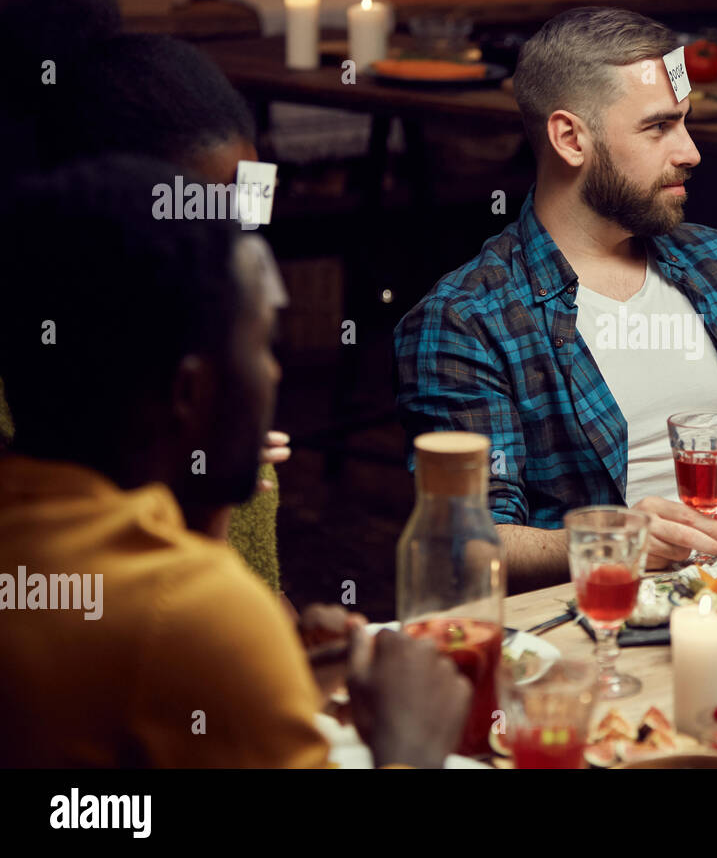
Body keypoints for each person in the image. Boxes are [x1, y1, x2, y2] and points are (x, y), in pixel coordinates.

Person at [0, 157, 469, 767]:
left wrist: (281, 671)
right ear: (190, 393)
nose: (274, 375)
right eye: (261, 349)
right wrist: (413, 745)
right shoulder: (193, 612)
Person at [395, 6, 717, 590]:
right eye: (658, 127)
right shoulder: (467, 320)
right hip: (612, 617)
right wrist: (614, 540)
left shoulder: (716, 262)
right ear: (570, 138)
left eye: (686, 123)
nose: (691, 152)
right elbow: (467, 539)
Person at [0, 0, 288, 594]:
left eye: (247, 211)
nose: (237, 252)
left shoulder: (211, 371)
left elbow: (261, 622)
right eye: (204, 223)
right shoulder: (42, 396)